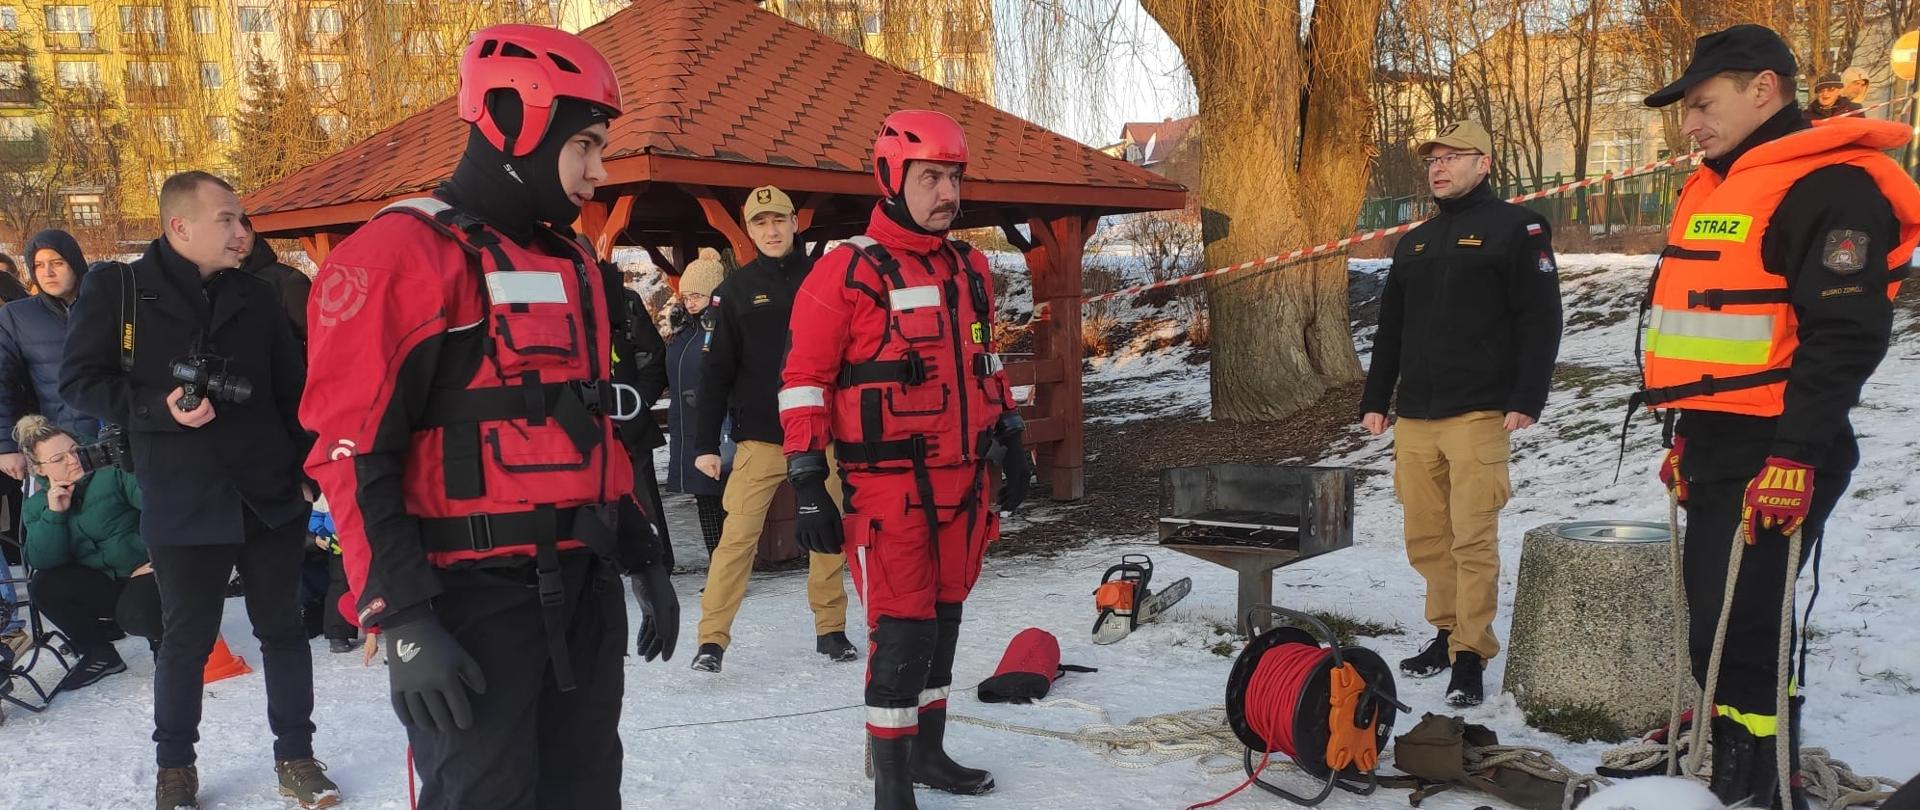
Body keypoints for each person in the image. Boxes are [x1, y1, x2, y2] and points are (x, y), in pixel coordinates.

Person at [299, 24, 677, 810]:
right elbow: (350, 451)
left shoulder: (568, 261)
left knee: (585, 792)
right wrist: (400, 615)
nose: (597, 173)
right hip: (465, 603)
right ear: (516, 119)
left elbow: (585, 422)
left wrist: (638, 544)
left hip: (581, 582)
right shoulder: (399, 254)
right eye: (586, 146)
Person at [1639, 24, 1920, 809]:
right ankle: (1730, 739)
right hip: (1719, 441)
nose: (1689, 125)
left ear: (1764, 88)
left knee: (1750, 615)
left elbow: (1843, 336)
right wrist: (1687, 432)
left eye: (1702, 105)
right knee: (1716, 611)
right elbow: (1709, 330)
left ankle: (1758, 766)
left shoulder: (1831, 187)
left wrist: (1796, 453)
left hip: (1781, 445)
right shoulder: (1723, 182)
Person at [58, 170, 339, 810]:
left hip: (269, 495)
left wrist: (305, 472)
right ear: (179, 226)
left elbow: (294, 392)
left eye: (244, 221)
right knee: (185, 640)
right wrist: (158, 407)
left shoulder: (259, 294)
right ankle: (175, 770)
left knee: (284, 630)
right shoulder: (118, 288)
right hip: (181, 498)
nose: (243, 233)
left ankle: (297, 756)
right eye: (228, 221)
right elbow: (80, 382)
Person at [779, 110, 1032, 809]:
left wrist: (1011, 433)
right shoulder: (846, 273)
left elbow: (986, 360)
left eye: (953, 176)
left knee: (944, 621)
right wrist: (806, 479)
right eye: (930, 177)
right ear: (891, 178)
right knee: (902, 632)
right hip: (888, 493)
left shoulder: (970, 268)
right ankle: (891, 784)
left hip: (964, 483)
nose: (946, 192)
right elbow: (802, 380)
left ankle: (928, 753)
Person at [1359, 119, 1563, 708]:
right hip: (1418, 416)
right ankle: (1446, 633)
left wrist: (1528, 395)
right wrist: (1378, 399)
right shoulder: (1415, 240)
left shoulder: (1516, 228)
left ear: (1485, 164)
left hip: (1478, 413)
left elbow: (1540, 316)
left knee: (1473, 537)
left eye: (1453, 157)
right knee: (1426, 536)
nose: (1439, 167)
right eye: (1432, 159)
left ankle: (1471, 655)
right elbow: (1391, 328)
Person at [689, 185, 855, 673]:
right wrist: (704, 445)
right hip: (760, 440)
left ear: (794, 223)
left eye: (778, 219)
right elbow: (714, 372)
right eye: (760, 223)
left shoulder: (823, 278)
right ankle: (711, 641)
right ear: (749, 230)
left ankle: (831, 630)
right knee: (736, 538)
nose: (771, 230)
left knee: (827, 536)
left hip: (820, 437)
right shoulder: (734, 292)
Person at [16, 414, 161, 691]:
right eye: (58, 460)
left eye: (75, 450)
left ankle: (165, 640)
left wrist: (159, 558)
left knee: (139, 612)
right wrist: (55, 514)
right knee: (44, 585)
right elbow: (44, 560)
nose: (72, 460)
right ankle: (99, 653)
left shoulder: (113, 473)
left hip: (148, 569)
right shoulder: (37, 505)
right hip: (105, 581)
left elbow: (160, 510)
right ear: (40, 470)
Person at [0, 230, 102, 480]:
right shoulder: (18, 317)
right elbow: (2, 383)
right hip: (61, 445)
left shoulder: (106, 304)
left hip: (122, 436)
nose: (48, 273)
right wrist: (6, 446)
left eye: (57, 263)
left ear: (75, 263)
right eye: (39, 265)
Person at [665, 251, 727, 553]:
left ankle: (728, 570)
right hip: (687, 424)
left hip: (716, 424)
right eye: (686, 295)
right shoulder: (683, 332)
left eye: (697, 295)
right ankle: (717, 566)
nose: (689, 302)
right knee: (705, 500)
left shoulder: (718, 329)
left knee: (723, 500)